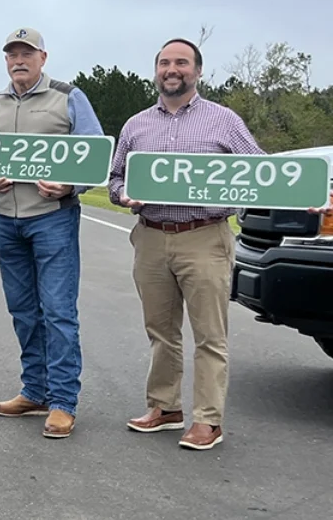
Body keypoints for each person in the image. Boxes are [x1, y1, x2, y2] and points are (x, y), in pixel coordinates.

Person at [108, 38, 329, 450]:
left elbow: (262, 171)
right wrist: (123, 196)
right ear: (156, 70)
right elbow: (116, 178)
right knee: (160, 330)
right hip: (152, 237)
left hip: (204, 236)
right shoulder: (135, 125)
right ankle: (165, 407)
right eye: (164, 63)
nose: (172, 69)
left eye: (182, 63)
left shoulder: (223, 120)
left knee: (209, 335)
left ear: (198, 71)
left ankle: (208, 420)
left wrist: (308, 192)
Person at [0, 27, 104, 439]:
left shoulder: (68, 97)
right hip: (6, 221)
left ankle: (63, 401)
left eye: (26, 53)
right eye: (12, 54)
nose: (18, 60)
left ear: (43, 58)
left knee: (58, 312)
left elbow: (95, 153)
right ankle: (36, 390)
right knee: (23, 311)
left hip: (52, 218)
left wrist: (70, 185)